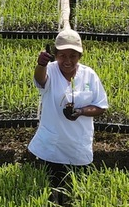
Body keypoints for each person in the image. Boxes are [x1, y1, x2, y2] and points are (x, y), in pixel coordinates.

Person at [28, 28, 108, 193]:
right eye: (62, 55)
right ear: (55, 55)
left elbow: (100, 106)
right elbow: (40, 79)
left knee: (76, 193)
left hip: (77, 147)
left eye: (73, 56)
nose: (67, 60)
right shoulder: (50, 70)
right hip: (51, 147)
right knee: (46, 192)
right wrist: (41, 64)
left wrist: (81, 111)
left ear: (80, 56)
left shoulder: (89, 75)